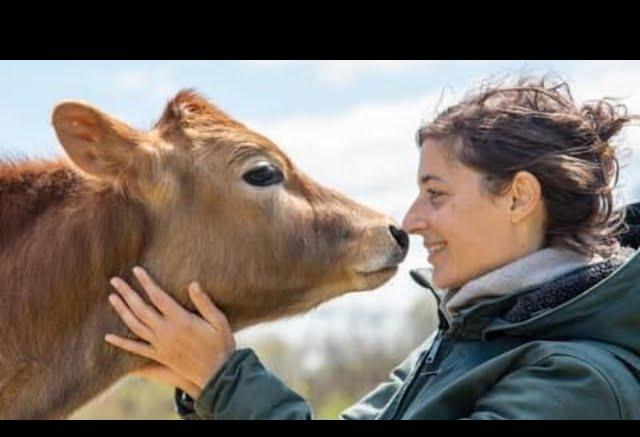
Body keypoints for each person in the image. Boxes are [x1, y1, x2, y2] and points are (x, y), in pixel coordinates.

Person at [105, 76, 640, 419]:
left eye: (436, 193)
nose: (412, 219)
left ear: (519, 197)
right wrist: (205, 389)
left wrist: (224, 380)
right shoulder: (462, 342)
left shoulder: (578, 381)